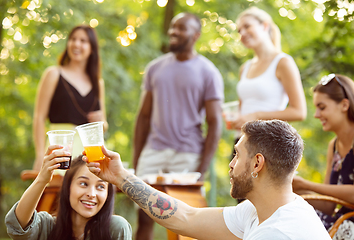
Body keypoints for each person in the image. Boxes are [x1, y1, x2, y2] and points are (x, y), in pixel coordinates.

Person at [86, 120, 331, 239]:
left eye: (236, 154)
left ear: (257, 163)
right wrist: (120, 177)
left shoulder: (278, 233)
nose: (231, 164)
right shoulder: (262, 211)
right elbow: (186, 217)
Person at [132, 12, 223, 239]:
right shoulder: (155, 68)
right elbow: (143, 117)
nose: (173, 32)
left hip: (187, 155)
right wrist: (137, 159)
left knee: (185, 225)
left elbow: (214, 123)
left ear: (196, 35)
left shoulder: (208, 72)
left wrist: (200, 170)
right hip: (153, 152)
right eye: (173, 27)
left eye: (181, 28)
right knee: (144, 218)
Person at [5, 146, 132, 240]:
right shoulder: (47, 227)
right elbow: (17, 225)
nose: (92, 194)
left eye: (100, 186)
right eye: (83, 183)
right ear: (68, 187)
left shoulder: (116, 228)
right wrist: (42, 179)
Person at [33, 25, 108, 171]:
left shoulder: (98, 83)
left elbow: (103, 126)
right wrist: (39, 155)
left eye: (83, 40)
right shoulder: (53, 74)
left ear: (92, 48)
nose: (76, 44)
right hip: (61, 149)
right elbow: (39, 118)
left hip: (90, 152)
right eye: (73, 39)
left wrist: (101, 122)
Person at [292, 74, 354, 239]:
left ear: (344, 105)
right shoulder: (333, 146)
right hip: (340, 221)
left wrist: (305, 184)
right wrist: (291, 189)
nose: (316, 114)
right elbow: (328, 205)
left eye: (322, 107)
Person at [228, 7, 306, 130]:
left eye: (247, 26)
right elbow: (244, 109)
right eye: (239, 31)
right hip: (242, 139)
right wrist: (236, 117)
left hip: (267, 141)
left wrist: (256, 116)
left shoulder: (283, 62)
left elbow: (299, 112)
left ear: (264, 26)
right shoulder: (245, 68)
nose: (242, 34)